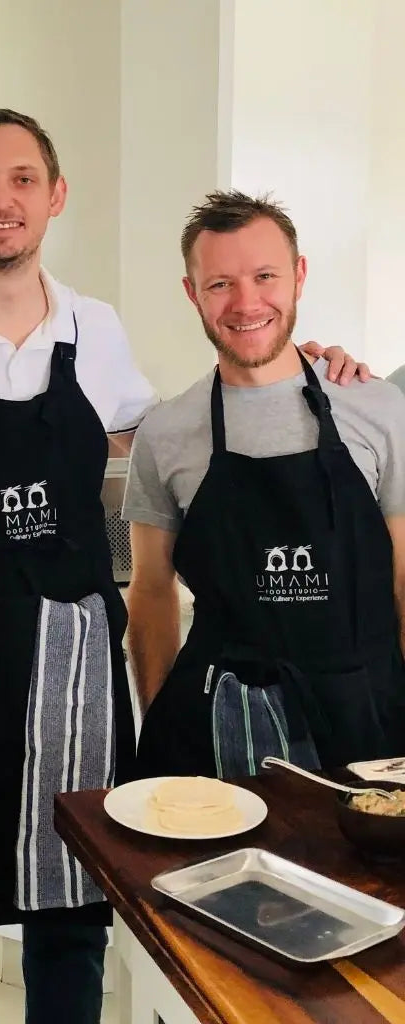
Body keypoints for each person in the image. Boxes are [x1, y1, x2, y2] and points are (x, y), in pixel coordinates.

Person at [0, 109, 368, 1024]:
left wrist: (309, 367)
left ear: (55, 196)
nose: (3, 200)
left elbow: (169, 430)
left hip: (72, 654)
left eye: (24, 179)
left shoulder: (96, 326)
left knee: (72, 900)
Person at [125, 190, 405, 780]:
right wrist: (162, 719)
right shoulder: (167, 430)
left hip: (372, 726)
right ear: (191, 293)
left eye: (265, 275)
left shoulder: (378, 409)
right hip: (220, 727)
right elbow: (151, 593)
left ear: (299, 276)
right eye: (220, 283)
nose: (246, 302)